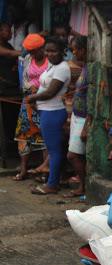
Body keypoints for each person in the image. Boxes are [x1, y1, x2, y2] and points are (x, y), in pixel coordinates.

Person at [27, 37, 70, 195]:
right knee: (54, 150)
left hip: (53, 112)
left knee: (54, 151)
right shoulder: (53, 66)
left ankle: (52, 185)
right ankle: (54, 181)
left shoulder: (62, 68)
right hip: (46, 111)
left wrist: (33, 98)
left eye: (53, 51)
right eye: (47, 50)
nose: (49, 54)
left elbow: (51, 92)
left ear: (62, 52)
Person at [12, 33, 48, 181]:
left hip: (45, 103)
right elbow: (24, 80)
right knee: (23, 136)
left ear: (42, 48)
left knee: (46, 137)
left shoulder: (51, 61)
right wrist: (30, 91)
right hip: (27, 103)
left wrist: (39, 92)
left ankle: (46, 171)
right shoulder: (27, 60)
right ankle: (24, 168)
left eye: (34, 50)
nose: (32, 53)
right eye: (30, 51)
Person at [65, 35, 89, 197]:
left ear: (83, 50)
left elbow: (94, 99)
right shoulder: (85, 67)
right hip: (77, 114)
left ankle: (84, 186)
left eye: (75, 49)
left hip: (84, 117)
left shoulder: (91, 69)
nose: (73, 53)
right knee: (78, 154)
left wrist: (87, 124)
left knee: (73, 155)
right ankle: (83, 186)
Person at [0, 22, 20, 95]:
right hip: (3, 85)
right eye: (8, 32)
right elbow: (10, 53)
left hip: (10, 83)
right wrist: (29, 51)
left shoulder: (7, 45)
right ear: (0, 32)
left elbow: (14, 57)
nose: (11, 34)